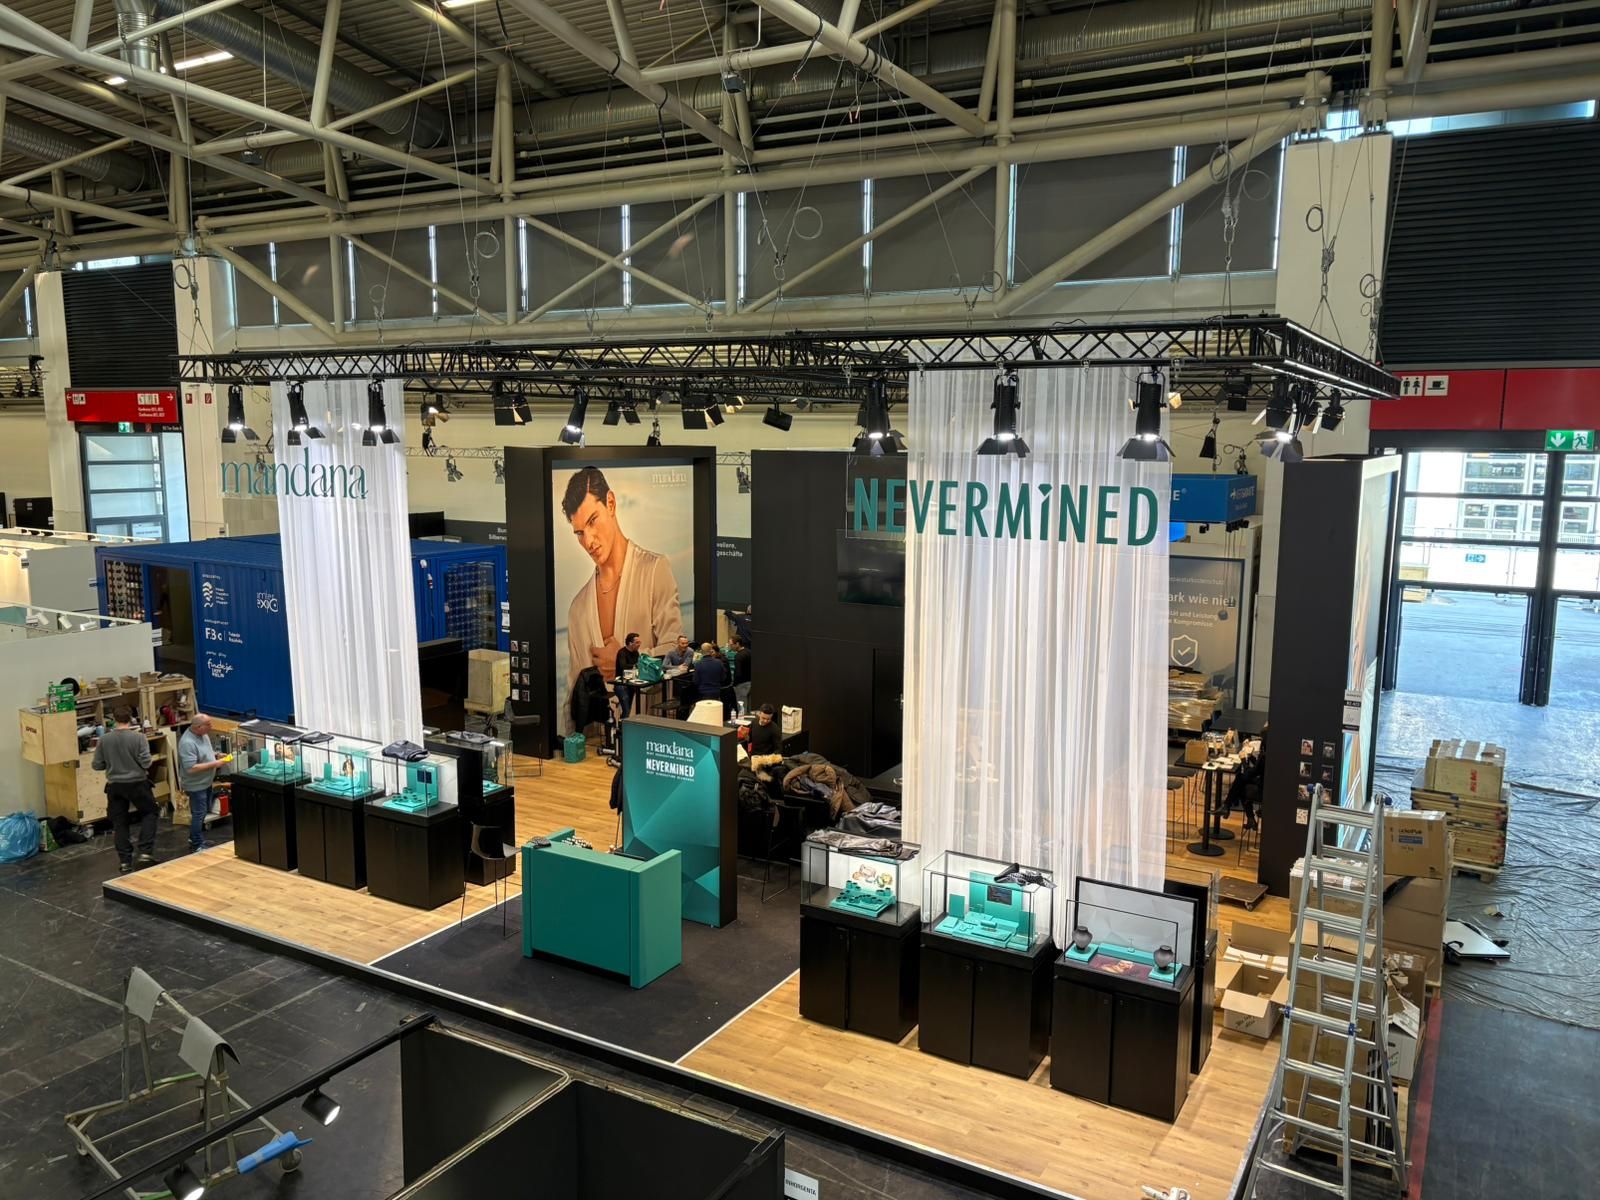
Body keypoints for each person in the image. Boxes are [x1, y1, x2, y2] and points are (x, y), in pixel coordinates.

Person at [561, 466, 684, 726]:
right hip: (599, 737)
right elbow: (573, 694)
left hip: (651, 729)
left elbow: (675, 653)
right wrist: (565, 741)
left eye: (592, 521)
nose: (588, 541)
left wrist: (625, 663)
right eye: (579, 533)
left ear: (611, 503)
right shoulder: (578, 608)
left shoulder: (654, 570)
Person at [95, 706, 156, 873]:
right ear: (131, 719)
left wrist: (113, 764)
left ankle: (125, 861)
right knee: (150, 813)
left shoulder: (104, 739)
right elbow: (146, 763)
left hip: (115, 785)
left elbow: (97, 765)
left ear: (114, 719)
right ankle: (145, 852)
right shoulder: (139, 737)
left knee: (120, 822)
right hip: (138, 783)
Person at [177, 714, 229, 853]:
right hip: (196, 785)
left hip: (206, 781)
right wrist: (216, 763)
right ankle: (196, 844)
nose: (211, 727)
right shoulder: (187, 743)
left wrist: (216, 755)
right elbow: (191, 768)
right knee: (199, 813)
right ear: (198, 727)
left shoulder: (203, 735)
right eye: (208, 724)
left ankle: (194, 837)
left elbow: (205, 753)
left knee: (203, 811)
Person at [613, 631, 643, 719]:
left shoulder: (636, 652)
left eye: (639, 642)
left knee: (628, 709)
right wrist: (635, 666)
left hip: (631, 684)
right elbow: (623, 666)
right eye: (637, 642)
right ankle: (622, 726)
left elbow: (639, 664)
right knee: (626, 710)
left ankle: (622, 725)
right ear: (630, 643)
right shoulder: (622, 653)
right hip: (621, 685)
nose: (639, 644)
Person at [692, 641, 728, 706]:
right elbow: (723, 678)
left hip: (703, 693)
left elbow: (695, 681)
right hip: (716, 692)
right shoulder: (719, 662)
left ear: (701, 651)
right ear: (711, 650)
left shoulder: (698, 664)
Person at [730, 635, 753, 713]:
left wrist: (734, 684)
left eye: (731, 645)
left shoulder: (738, 656)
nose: (730, 647)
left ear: (737, 644)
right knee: (749, 708)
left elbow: (738, 673)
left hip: (741, 685)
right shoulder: (749, 652)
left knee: (741, 708)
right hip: (750, 682)